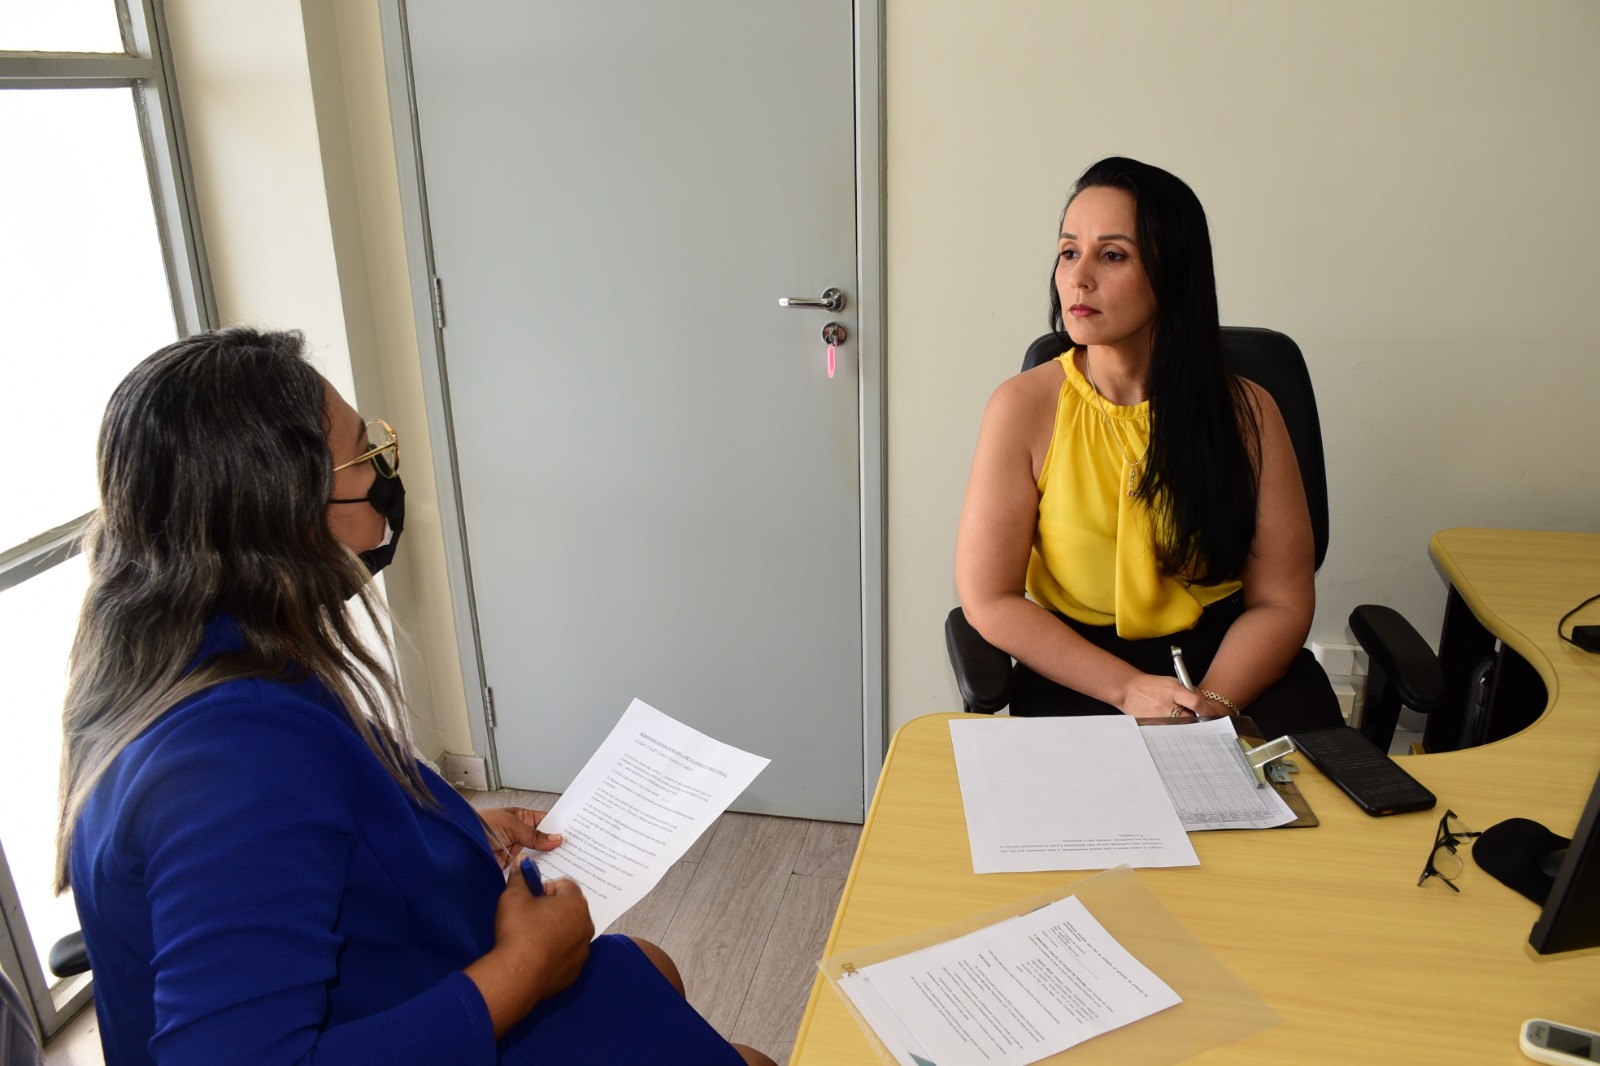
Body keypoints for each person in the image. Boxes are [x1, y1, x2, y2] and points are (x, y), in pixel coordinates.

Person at [55, 327, 775, 1066]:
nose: (387, 473)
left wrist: (441, 829)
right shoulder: (231, 761)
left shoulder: (182, 659)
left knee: (646, 966)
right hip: (399, 1019)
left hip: (381, 990)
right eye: (367, 455)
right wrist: (520, 972)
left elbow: (302, 835)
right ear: (284, 511)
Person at [955, 157, 1342, 739]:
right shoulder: (1022, 408)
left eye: (1112, 256)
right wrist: (1126, 689)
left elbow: (1282, 601)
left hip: (1232, 657)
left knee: (1320, 816)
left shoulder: (1249, 411)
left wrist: (1209, 704)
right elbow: (989, 598)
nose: (1077, 278)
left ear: (1173, 274)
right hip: (1079, 667)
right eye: (1068, 252)